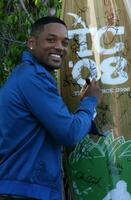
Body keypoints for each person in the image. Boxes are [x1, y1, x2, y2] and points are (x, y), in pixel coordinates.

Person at [0, 16, 102, 200]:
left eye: (64, 42)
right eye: (51, 39)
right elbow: (69, 133)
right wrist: (90, 102)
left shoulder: (29, 76)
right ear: (32, 43)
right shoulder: (32, 78)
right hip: (24, 191)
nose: (60, 47)